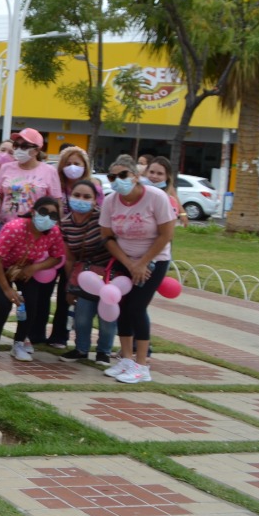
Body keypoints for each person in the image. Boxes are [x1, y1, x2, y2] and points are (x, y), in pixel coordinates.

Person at [100, 155, 176, 384]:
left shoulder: (156, 197)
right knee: (122, 306)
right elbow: (107, 237)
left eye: (123, 175)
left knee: (136, 307)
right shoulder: (111, 201)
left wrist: (143, 263)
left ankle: (142, 365)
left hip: (154, 260)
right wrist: (129, 262)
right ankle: (126, 358)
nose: (117, 181)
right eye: (112, 177)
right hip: (125, 260)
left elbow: (166, 234)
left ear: (135, 176)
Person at [0, 196, 66, 362]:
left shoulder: (54, 232)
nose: (48, 217)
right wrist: (6, 288)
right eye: (44, 211)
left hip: (24, 267)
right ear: (33, 212)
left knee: (31, 301)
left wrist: (34, 268)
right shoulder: (15, 227)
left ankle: (19, 342)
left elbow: (57, 257)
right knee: (3, 301)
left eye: (53, 215)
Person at [58, 178, 116, 365]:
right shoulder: (65, 224)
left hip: (109, 275)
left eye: (86, 197)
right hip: (84, 277)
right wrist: (70, 286)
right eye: (77, 195)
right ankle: (81, 349)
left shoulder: (103, 220)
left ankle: (104, 351)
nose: (81, 199)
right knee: (82, 315)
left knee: (107, 316)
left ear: (95, 199)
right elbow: (69, 258)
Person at [144, 157, 188, 227]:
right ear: (146, 172)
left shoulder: (168, 192)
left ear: (167, 176)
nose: (154, 176)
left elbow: (175, 199)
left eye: (160, 174)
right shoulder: (139, 188)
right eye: (151, 172)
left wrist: (182, 214)